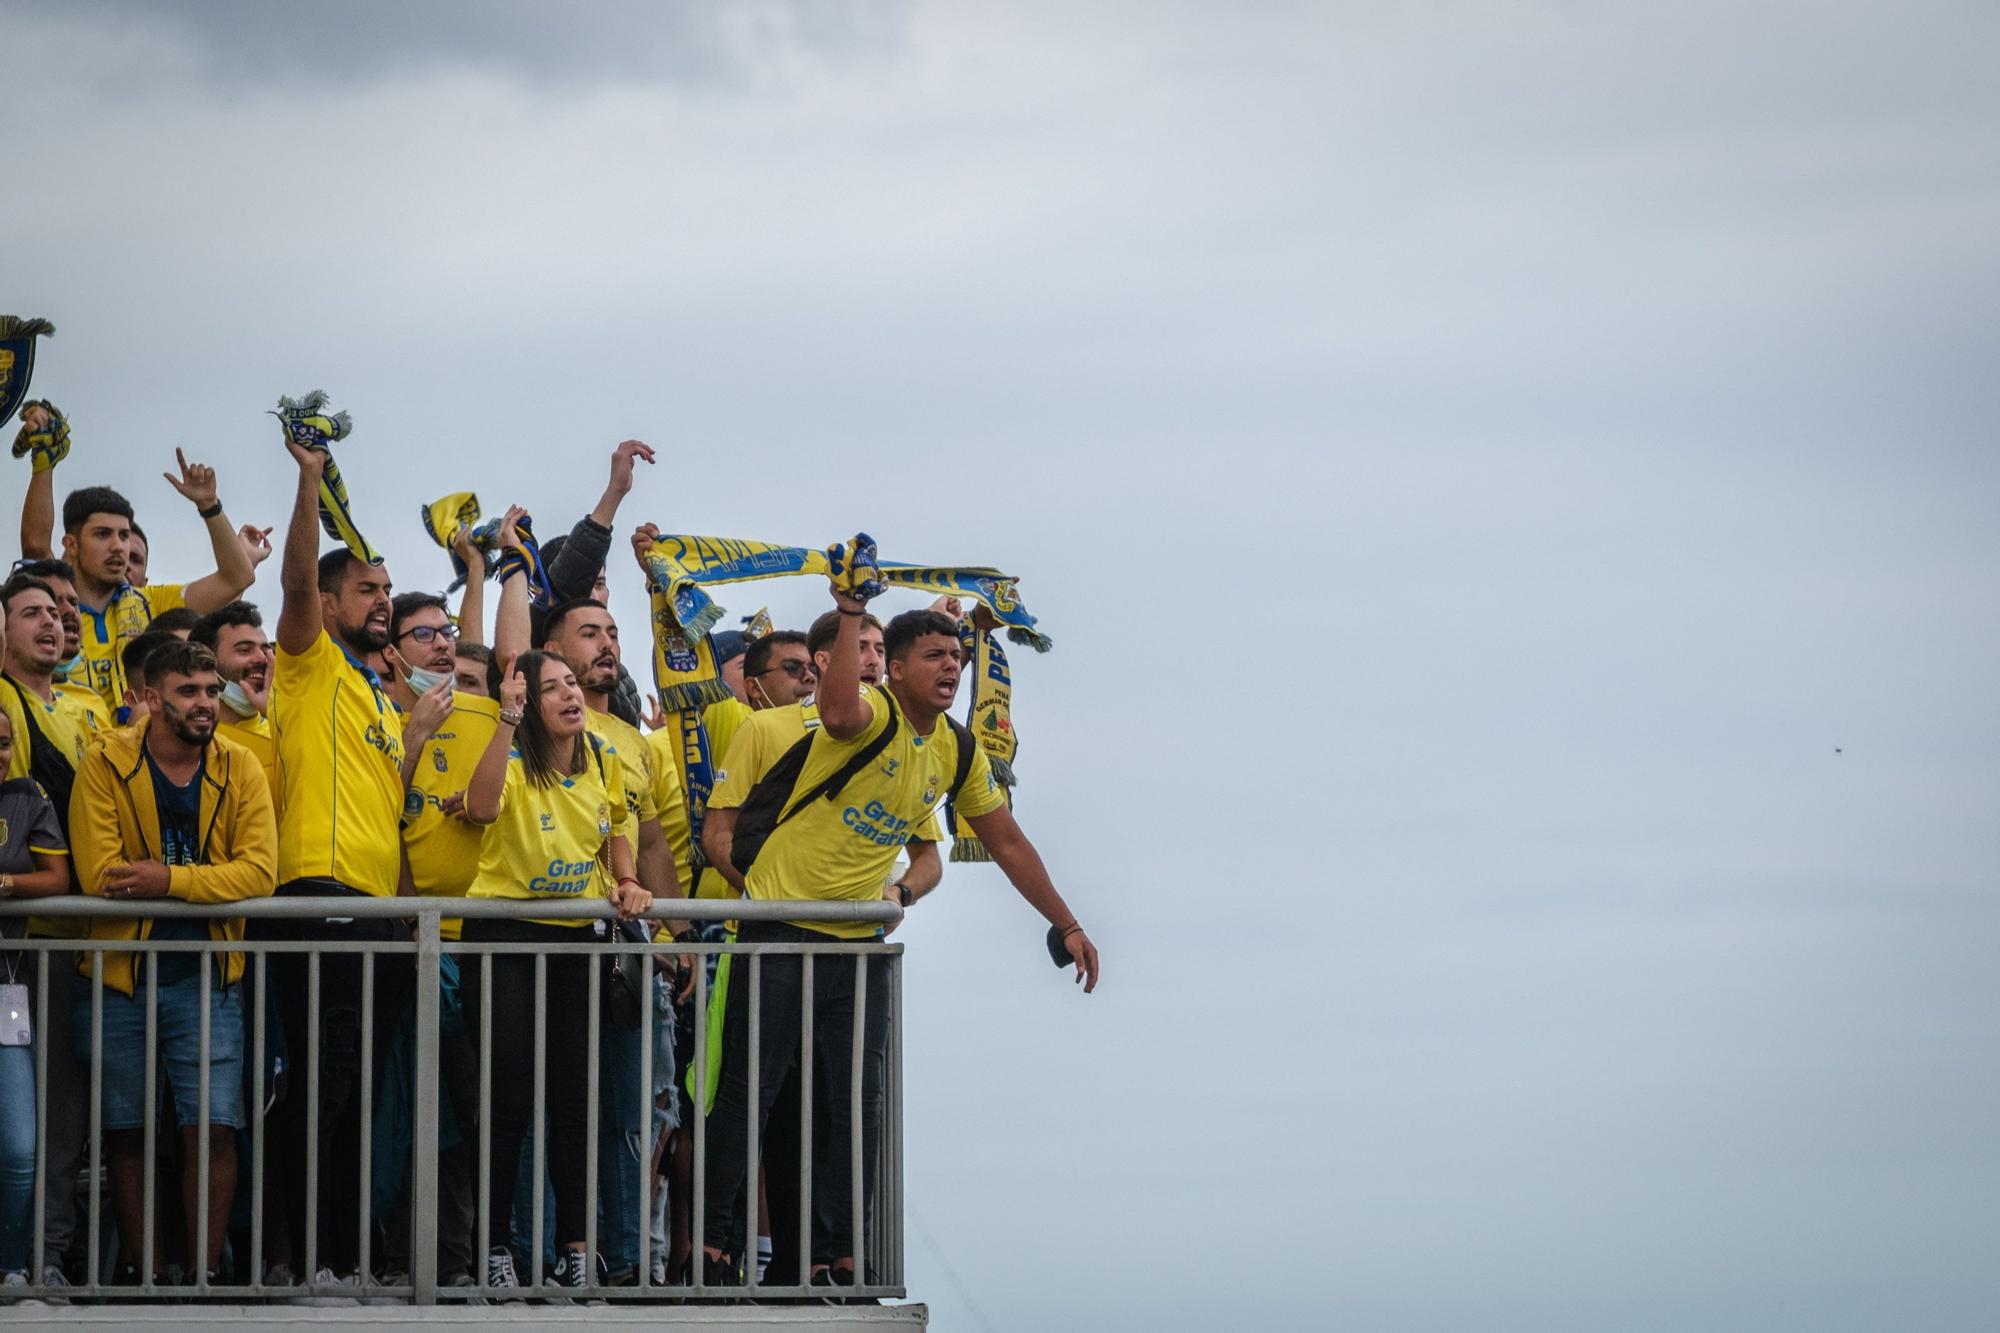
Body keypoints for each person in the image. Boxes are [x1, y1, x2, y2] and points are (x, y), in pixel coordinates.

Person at [700, 594, 1099, 1290]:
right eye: (934, 656)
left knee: (856, 1102)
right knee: (747, 1094)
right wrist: (852, 609)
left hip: (858, 942)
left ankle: (841, 1255)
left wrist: (1066, 922)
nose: (951, 667)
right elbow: (835, 713)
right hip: (778, 925)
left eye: (957, 657)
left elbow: (1006, 841)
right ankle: (710, 1248)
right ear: (897, 669)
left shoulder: (956, 749)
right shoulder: (868, 711)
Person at [263, 432, 434, 1294]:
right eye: (366, 587)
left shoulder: (375, 693)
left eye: (386, 588)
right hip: (316, 899)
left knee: (358, 1094)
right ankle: (306, 1258)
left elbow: (384, 809)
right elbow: (294, 582)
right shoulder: (310, 661)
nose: (383, 599)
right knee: (320, 1091)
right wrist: (309, 481)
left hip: (375, 910)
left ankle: (343, 1253)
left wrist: (416, 734)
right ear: (330, 603)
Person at [69, 638, 277, 1286]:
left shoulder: (241, 764)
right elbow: (102, 873)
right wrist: (206, 881)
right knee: (127, 1130)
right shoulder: (105, 759)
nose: (206, 703)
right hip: (120, 975)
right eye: (189, 692)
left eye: (211, 690)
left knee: (213, 1128)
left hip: (207, 975)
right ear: (152, 699)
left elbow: (260, 872)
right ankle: (146, 1271)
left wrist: (168, 880)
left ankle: (204, 1276)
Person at [461, 651, 652, 1294]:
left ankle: (577, 1251)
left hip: (576, 938)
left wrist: (627, 879)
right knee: (508, 1100)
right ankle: (493, 1249)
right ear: (528, 702)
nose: (570, 694)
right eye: (551, 688)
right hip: (505, 936)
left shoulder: (601, 754)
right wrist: (506, 719)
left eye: (571, 682)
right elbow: (480, 808)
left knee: (576, 1101)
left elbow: (617, 826)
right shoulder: (514, 755)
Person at [382, 588, 497, 1288]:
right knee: (409, 1114)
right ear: (392, 653)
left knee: (474, 1114)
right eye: (423, 634)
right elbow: (376, 817)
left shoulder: (488, 719)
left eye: (447, 630)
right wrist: (414, 737)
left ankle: (466, 1261)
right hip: (407, 946)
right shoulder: (382, 721)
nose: (444, 644)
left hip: (482, 946)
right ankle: (406, 1259)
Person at [0, 575, 96, 1292]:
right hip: (25, 947)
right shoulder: (6, 697)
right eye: (31, 612)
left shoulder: (87, 704)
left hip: (69, 948)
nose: (52, 622)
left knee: (54, 1119)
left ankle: (45, 1257)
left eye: (59, 613)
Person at [50, 459, 260, 713]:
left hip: (142, 736)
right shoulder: (50, 610)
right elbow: (35, 544)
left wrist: (209, 505)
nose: (118, 547)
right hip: (69, 733)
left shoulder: (151, 602)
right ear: (71, 545)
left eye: (124, 535)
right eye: (103, 534)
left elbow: (237, 578)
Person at [0, 708, 73, 1290]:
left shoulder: (25, 797)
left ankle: (11, 1264)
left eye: (3, 744)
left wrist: (4, 884)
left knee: (21, 1147)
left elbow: (57, 879)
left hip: (8, 990)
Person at [192, 602, 281, 821]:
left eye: (265, 650)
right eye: (244, 650)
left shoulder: (284, 728)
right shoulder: (189, 742)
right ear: (207, 665)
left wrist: (275, 712)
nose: (262, 659)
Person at [12, 558, 112, 736]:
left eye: (74, 602)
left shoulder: (93, 700)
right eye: (54, 602)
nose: (70, 611)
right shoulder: (6, 696)